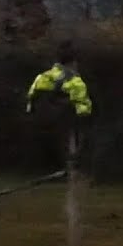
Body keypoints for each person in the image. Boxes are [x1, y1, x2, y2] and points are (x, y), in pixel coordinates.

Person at [26, 40, 93, 173]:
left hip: (40, 122)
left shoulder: (42, 77)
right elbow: (83, 109)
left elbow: (31, 98)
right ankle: (70, 171)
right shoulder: (75, 81)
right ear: (73, 63)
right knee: (73, 145)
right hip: (64, 126)